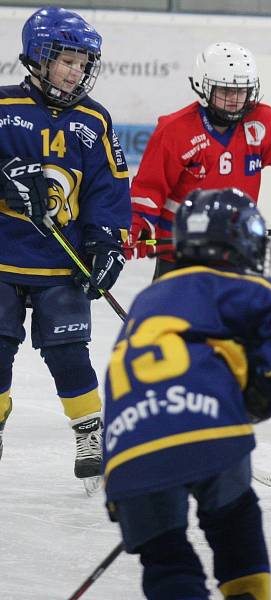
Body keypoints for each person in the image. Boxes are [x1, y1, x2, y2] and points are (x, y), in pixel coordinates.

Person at [103, 187, 271, 599]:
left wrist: (125, 481)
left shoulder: (149, 298)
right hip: (207, 431)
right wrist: (267, 392)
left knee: (166, 559)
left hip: (126, 452)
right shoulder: (224, 283)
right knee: (233, 521)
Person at [0, 7, 130, 488]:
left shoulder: (94, 120)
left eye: (82, 63)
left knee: (69, 352)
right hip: (3, 260)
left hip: (62, 262)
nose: (76, 71)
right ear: (37, 57)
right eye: (66, 60)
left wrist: (105, 242)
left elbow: (108, 188)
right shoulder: (3, 107)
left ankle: (88, 433)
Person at [125, 41, 271, 279]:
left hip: (238, 247)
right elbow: (150, 187)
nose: (235, 99)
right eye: (226, 91)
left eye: (241, 91)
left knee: (236, 315)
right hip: (181, 249)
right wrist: (140, 223)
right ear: (203, 87)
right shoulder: (175, 130)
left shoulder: (263, 121)